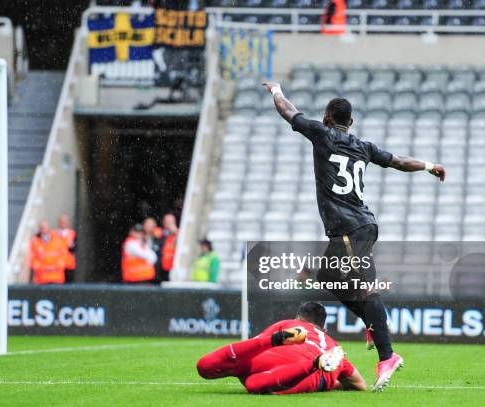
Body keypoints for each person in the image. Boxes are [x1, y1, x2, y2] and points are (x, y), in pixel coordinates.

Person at [262, 82, 446, 391]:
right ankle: (374, 326)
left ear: (326, 118)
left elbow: (287, 111)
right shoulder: (364, 146)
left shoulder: (321, 134)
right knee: (325, 276)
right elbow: (399, 161)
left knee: (365, 289)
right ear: (352, 121)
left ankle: (387, 355)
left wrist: (276, 90)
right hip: (354, 228)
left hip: (352, 228)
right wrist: (429, 166)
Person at [197, 302, 366, 394]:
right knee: (255, 384)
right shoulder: (333, 346)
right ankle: (315, 364)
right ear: (324, 328)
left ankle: (276, 341)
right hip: (302, 372)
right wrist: (334, 384)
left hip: (268, 357)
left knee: (205, 366)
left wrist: (277, 339)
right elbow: (360, 384)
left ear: (299, 317)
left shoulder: (289, 324)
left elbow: (251, 346)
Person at [29, 220, 67, 285]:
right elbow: (33, 260)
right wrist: (44, 268)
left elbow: (64, 257)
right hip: (42, 279)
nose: (43, 229)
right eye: (41, 228)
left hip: (57, 278)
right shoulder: (34, 241)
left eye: (45, 227)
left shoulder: (58, 239)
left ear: (48, 227)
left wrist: (55, 267)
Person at [57, 214, 77, 283]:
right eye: (62, 222)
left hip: (68, 265)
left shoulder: (72, 234)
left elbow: (75, 249)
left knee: (68, 285)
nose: (63, 224)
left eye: (65, 222)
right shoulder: (54, 234)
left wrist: (71, 246)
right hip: (57, 265)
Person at [159, 213, 178, 282]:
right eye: (167, 222)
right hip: (161, 266)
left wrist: (175, 232)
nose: (169, 224)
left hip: (173, 266)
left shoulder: (179, 233)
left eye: (171, 222)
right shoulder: (160, 232)